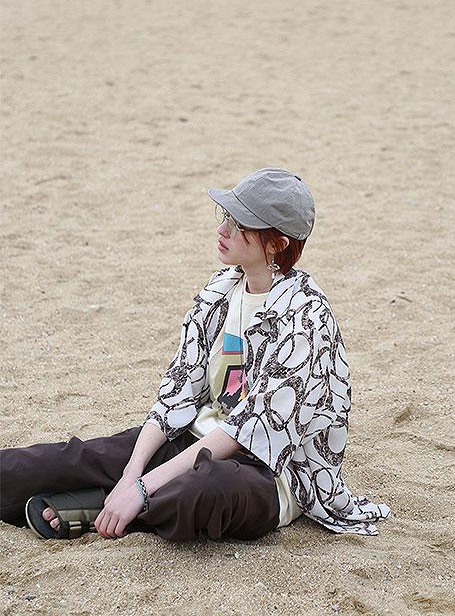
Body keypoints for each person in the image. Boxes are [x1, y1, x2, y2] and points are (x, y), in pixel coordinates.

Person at [0, 167, 391, 542]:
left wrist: (141, 488)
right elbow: (178, 393)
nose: (223, 230)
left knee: (205, 490)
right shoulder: (221, 290)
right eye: (226, 217)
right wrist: (132, 474)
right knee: (72, 458)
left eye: (239, 225)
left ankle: (101, 506)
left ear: (277, 244)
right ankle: (110, 499)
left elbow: (248, 432)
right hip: (194, 440)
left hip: (266, 470)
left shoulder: (306, 317)